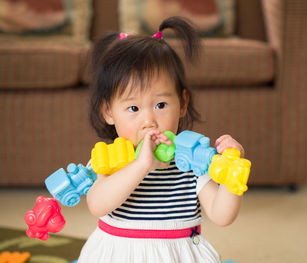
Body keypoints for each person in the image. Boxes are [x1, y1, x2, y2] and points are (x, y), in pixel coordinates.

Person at [78, 16, 245, 263]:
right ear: (108, 112)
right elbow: (97, 205)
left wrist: (233, 177)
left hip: (177, 255)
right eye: (133, 108)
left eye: (160, 104)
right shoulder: (112, 160)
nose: (149, 121)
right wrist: (140, 166)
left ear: (182, 104)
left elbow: (222, 216)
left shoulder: (190, 164)